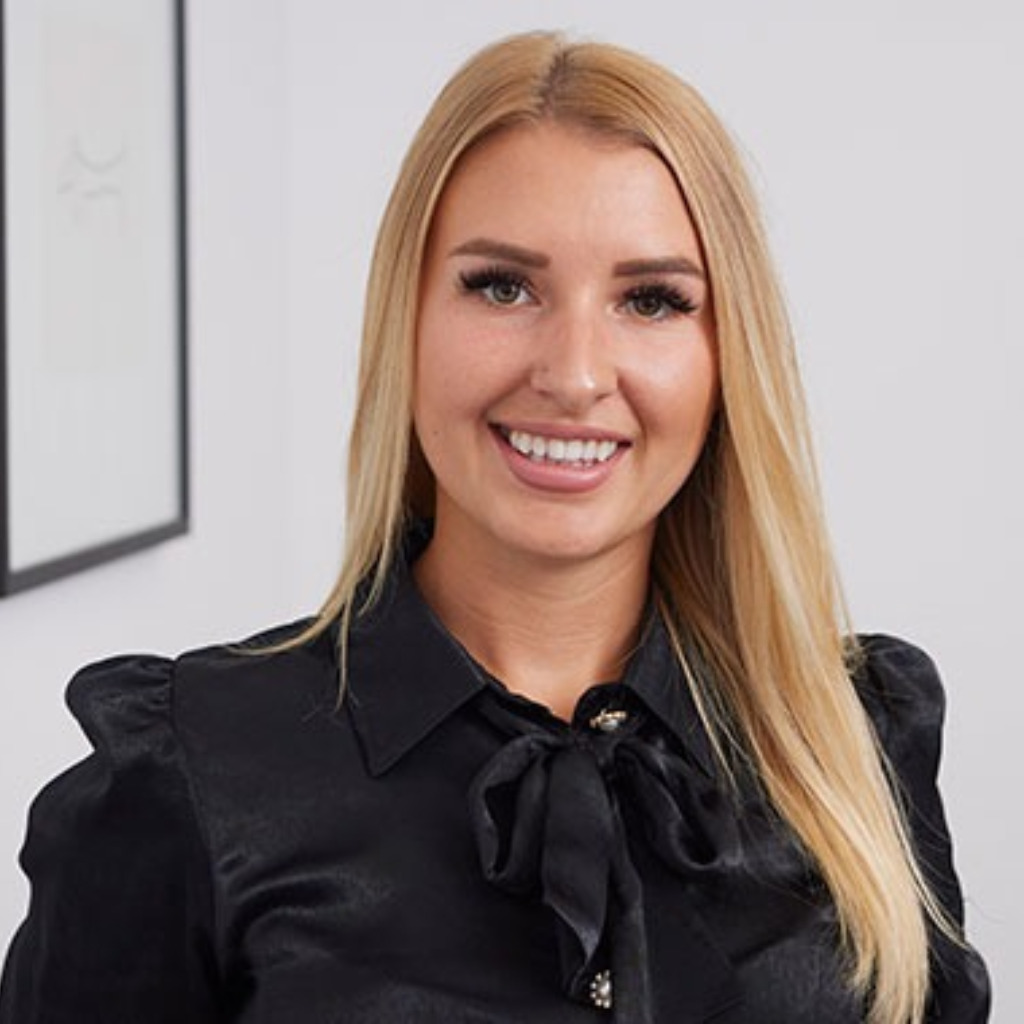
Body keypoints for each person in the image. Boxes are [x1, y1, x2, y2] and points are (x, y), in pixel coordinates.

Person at [0, 30, 989, 1024]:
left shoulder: (854, 741)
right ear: (407, 317)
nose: (574, 374)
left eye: (651, 300)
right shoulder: (188, 775)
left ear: (729, 354)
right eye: (502, 286)